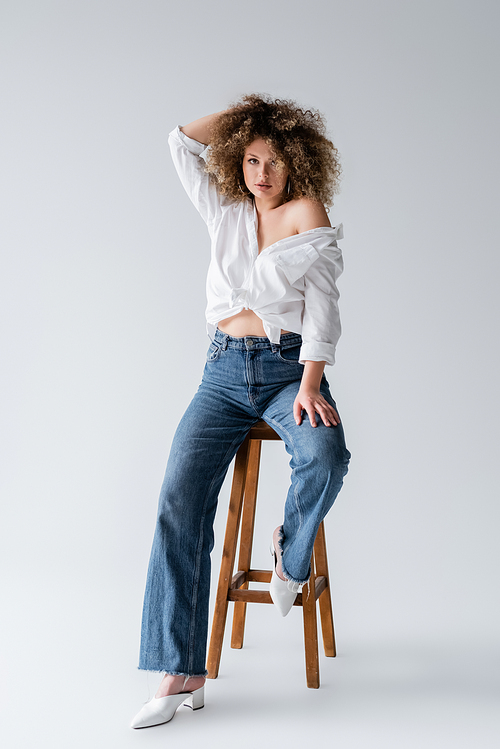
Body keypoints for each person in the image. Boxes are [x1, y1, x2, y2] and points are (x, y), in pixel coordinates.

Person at [131, 94, 351, 729]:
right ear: (238, 161)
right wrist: (245, 110)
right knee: (178, 498)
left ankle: (291, 554)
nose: (262, 172)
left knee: (325, 455)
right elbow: (177, 141)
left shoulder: (307, 213)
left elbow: (324, 308)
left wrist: (311, 383)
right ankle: (180, 669)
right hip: (223, 371)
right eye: (251, 159)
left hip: (288, 372)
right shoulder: (223, 209)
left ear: (296, 161)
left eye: (274, 159)